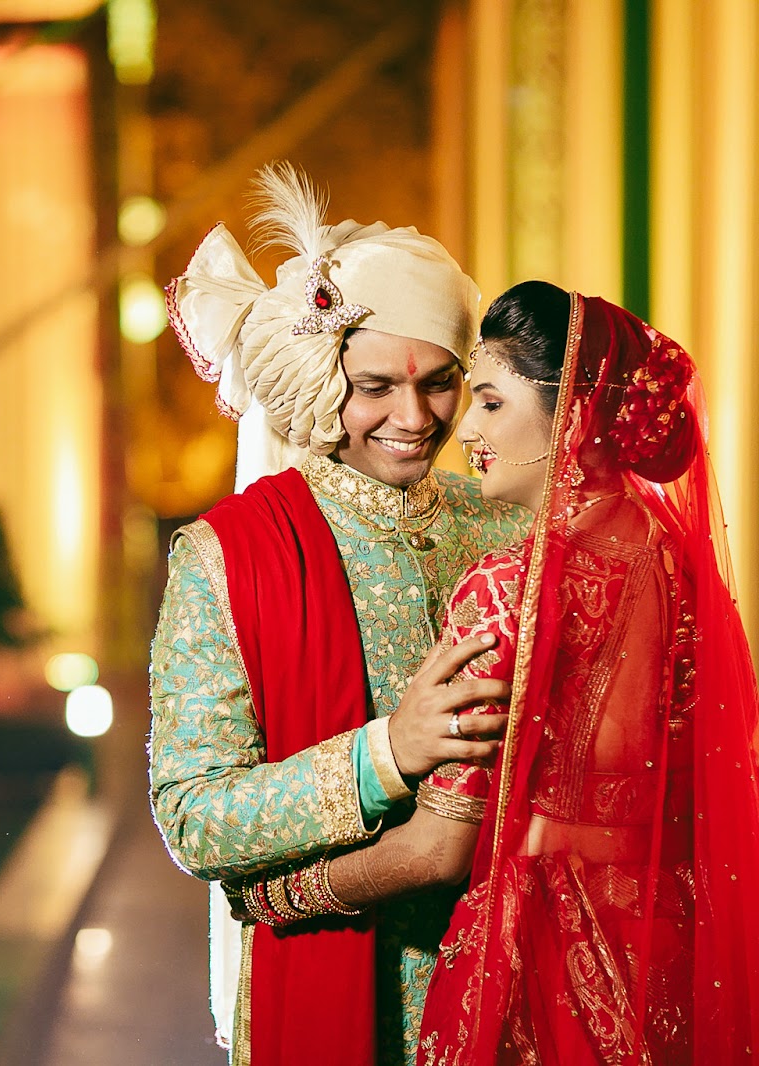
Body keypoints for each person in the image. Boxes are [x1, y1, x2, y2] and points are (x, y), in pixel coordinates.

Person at [308, 280, 759, 1064]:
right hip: (675, 961)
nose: (467, 432)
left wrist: (290, 894)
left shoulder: (505, 594)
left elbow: (437, 850)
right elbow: (749, 797)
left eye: (490, 402)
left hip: (544, 967)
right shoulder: (687, 576)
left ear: (575, 415)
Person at [149, 163, 530, 1066]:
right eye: (376, 387)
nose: (414, 417)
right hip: (340, 997)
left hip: (520, 985)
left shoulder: (510, 528)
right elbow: (193, 816)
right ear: (325, 376)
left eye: (441, 382)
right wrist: (384, 754)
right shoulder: (229, 557)